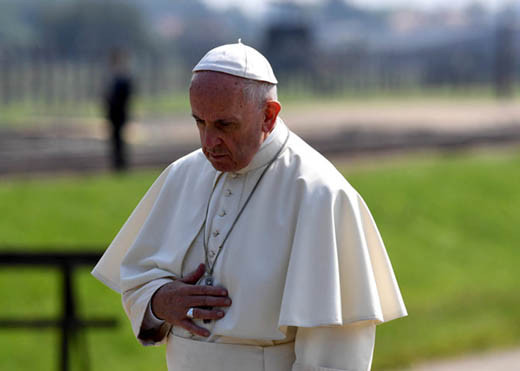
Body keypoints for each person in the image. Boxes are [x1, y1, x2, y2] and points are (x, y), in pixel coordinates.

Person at [92, 41, 407, 371]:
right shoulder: (182, 174)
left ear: (268, 115)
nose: (208, 143)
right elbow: (137, 282)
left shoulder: (321, 194)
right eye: (200, 122)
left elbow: (334, 355)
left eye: (225, 125)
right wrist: (158, 303)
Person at [104, 48, 133, 171]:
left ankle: (120, 164)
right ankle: (118, 163)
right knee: (115, 139)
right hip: (114, 114)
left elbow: (124, 97)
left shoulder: (122, 78)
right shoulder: (115, 77)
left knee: (118, 139)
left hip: (119, 114)